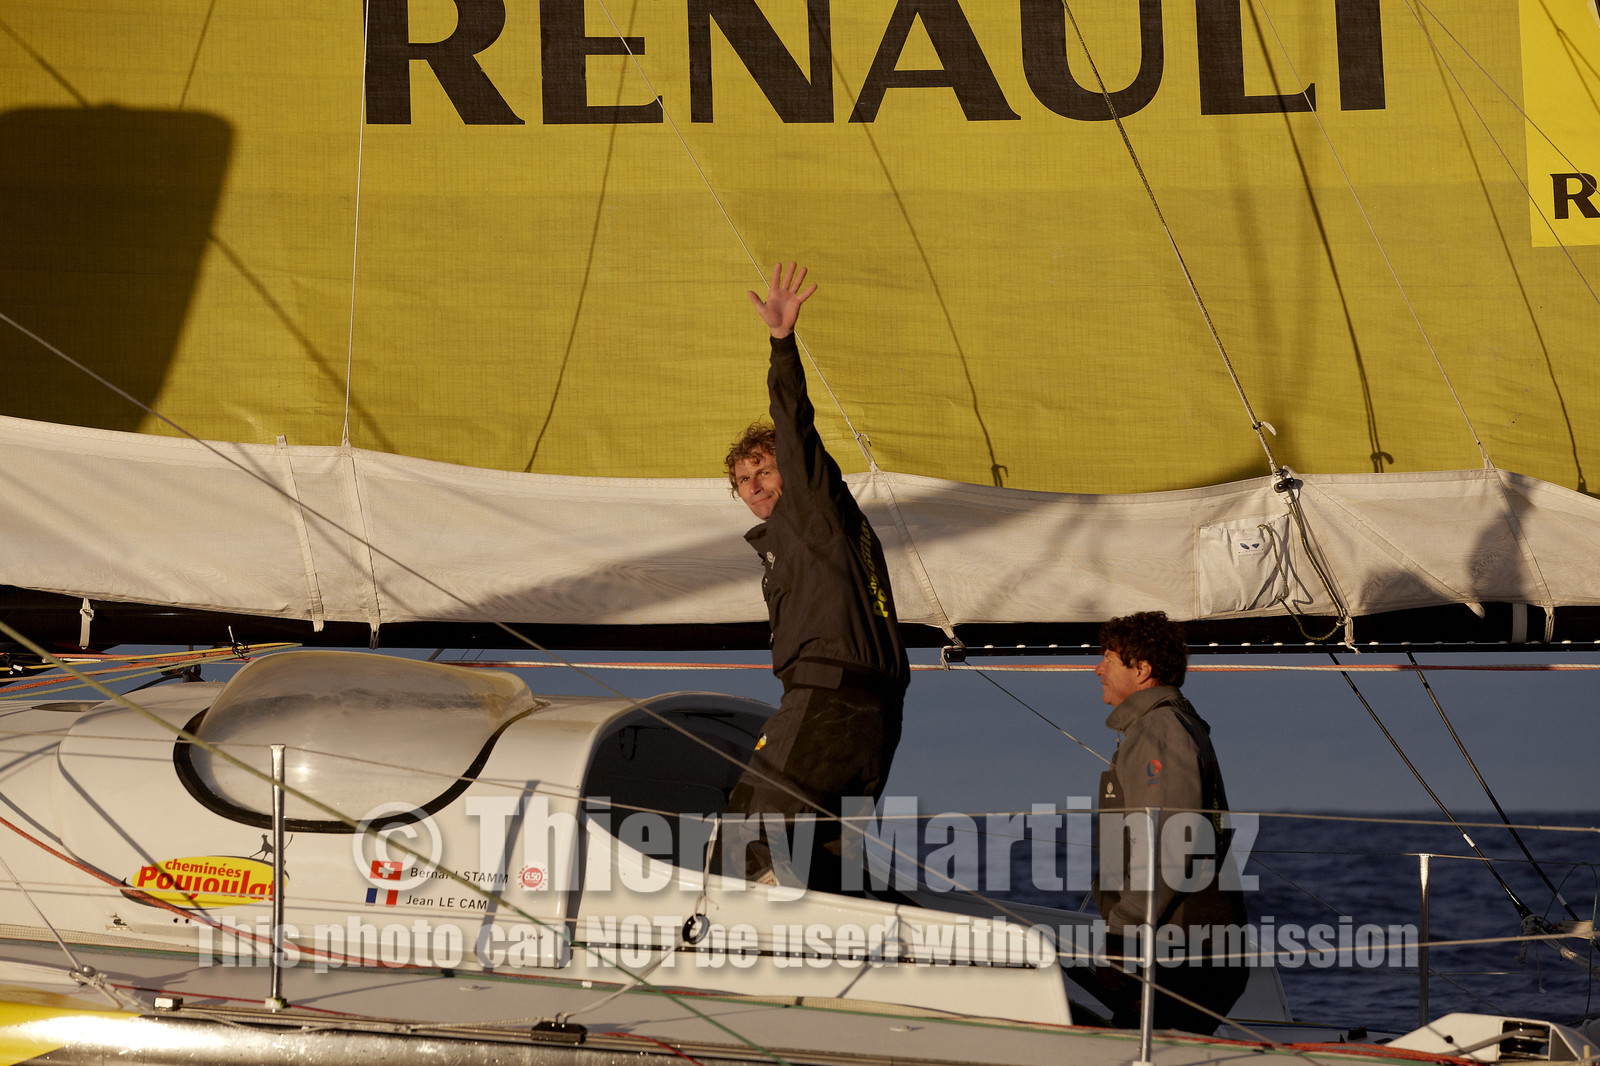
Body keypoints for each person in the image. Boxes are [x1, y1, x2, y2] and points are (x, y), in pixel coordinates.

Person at [719, 262, 910, 893]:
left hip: (828, 696)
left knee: (747, 832)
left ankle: (747, 945)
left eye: (764, 471)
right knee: (831, 861)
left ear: (791, 473)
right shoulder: (816, 535)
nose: (756, 486)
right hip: (876, 714)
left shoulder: (812, 506)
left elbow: (794, 422)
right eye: (744, 481)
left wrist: (781, 344)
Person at [1090, 610, 1248, 1033]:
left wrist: (1123, 934)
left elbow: (1168, 845)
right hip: (1185, 943)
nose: (1097, 668)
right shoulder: (1163, 724)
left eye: (1108, 658)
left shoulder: (1160, 728)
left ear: (1142, 670)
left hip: (1181, 949)